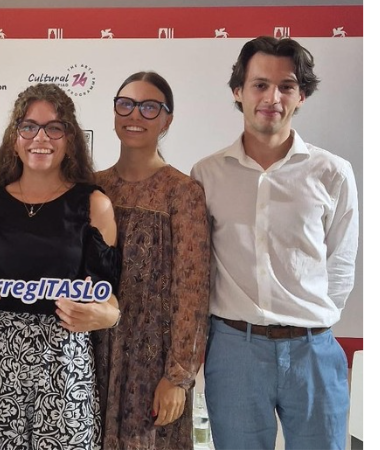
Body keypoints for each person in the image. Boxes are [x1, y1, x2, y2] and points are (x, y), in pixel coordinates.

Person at [190, 36, 359, 450]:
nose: (272, 97)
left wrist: (310, 323)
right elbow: (198, 265)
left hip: (313, 352)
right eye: (260, 84)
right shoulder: (207, 175)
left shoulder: (332, 173)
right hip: (235, 352)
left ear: (302, 96)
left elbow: (341, 262)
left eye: (286, 86)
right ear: (238, 91)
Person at [0, 83, 121, 449]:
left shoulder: (93, 204)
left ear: (70, 138)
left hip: (65, 363)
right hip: (0, 363)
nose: (40, 138)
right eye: (29, 126)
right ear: (15, 138)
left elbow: (108, 296)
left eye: (54, 128)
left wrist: (107, 314)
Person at [93, 71, 211, 450]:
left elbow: (192, 289)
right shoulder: (92, 186)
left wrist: (178, 376)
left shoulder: (182, 191)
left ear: (167, 120)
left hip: (152, 363)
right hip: (91, 354)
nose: (135, 115)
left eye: (149, 107)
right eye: (126, 104)